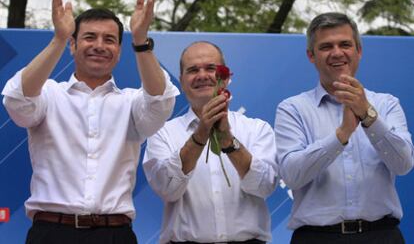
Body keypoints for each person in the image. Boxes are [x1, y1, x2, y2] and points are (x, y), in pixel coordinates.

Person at [2, 0, 179, 244]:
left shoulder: (131, 102)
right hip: (51, 232)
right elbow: (17, 101)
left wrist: (140, 41)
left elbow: (160, 101)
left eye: (109, 40)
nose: (99, 45)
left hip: (115, 233)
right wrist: (58, 38)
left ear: (119, 51)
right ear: (73, 45)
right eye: (89, 37)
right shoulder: (49, 93)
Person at [274, 12, 414, 244]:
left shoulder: (386, 104)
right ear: (311, 55)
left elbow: (403, 164)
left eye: (345, 44)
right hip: (316, 238)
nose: (337, 53)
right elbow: (291, 175)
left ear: (358, 51)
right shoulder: (292, 109)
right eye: (326, 46)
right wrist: (342, 134)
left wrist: (368, 116)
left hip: (382, 235)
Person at [143, 41, 278, 244]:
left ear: (225, 78)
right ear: (181, 81)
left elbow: (264, 187)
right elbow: (168, 190)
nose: (202, 75)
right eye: (193, 70)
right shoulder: (162, 133)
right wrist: (200, 135)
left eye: (211, 68)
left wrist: (228, 141)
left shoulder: (257, 129)